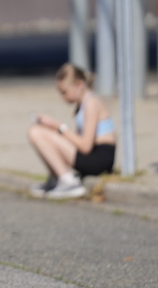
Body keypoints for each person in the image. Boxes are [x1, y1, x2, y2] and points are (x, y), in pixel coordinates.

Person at [27, 63, 116, 199]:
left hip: (99, 159)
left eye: (64, 92)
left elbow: (85, 146)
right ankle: (57, 178)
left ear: (79, 85)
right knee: (38, 131)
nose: (62, 97)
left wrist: (59, 127)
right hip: (92, 155)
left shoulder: (92, 102)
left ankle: (68, 182)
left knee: (36, 133)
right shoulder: (83, 103)